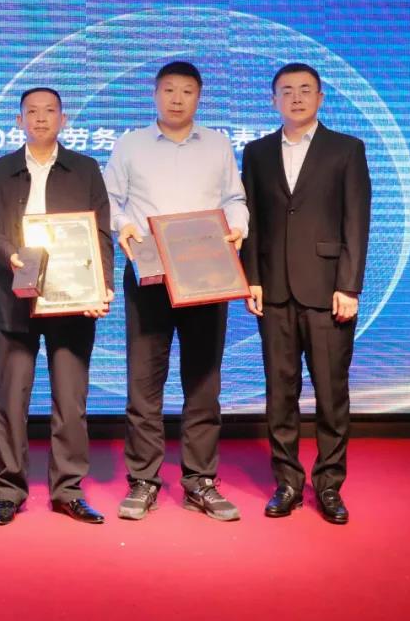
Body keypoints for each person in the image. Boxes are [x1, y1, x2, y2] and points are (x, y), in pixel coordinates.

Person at [104, 61, 248, 522]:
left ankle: (200, 480)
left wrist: (238, 228)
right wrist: (123, 225)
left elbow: (235, 200)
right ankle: (143, 480)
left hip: (206, 275)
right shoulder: (131, 144)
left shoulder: (218, 145)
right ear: (155, 94)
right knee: (144, 383)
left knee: (203, 381)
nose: (177, 98)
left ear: (199, 96)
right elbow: (109, 199)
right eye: (169, 90)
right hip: (149, 274)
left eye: (187, 91)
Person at [0, 87, 113, 526]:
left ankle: (68, 490)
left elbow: (101, 232)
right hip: (12, 299)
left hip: (71, 299)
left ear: (63, 119)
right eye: (31, 112)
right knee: (11, 400)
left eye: (49, 111)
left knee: (70, 400)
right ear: (18, 121)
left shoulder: (85, 169)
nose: (40, 118)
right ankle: (8, 490)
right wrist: (10, 253)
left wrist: (102, 287)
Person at [241, 63, 370, 524]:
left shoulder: (346, 149)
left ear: (320, 98)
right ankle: (288, 483)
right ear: (273, 99)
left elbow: (356, 221)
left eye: (305, 90)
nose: (296, 98)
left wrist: (348, 285)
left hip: (328, 290)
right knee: (281, 393)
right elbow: (251, 220)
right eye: (286, 91)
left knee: (332, 394)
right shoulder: (256, 152)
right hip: (274, 290)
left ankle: (330, 485)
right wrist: (252, 278)